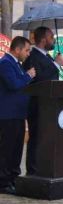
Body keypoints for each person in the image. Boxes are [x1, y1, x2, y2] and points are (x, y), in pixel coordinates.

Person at [22, 27, 63, 176]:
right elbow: (38, 79)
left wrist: (57, 63)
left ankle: (43, 168)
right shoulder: (32, 57)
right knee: (36, 137)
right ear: (43, 40)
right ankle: (32, 171)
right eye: (51, 37)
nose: (53, 40)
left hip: (50, 105)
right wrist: (56, 65)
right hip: (37, 105)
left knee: (45, 137)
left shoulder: (47, 57)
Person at [0, 37, 36, 195]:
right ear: (17, 49)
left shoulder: (17, 64)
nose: (28, 54)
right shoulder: (5, 63)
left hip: (18, 114)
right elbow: (14, 84)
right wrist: (28, 76)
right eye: (27, 50)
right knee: (7, 150)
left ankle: (13, 178)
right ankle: (3, 183)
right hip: (7, 115)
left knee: (16, 150)